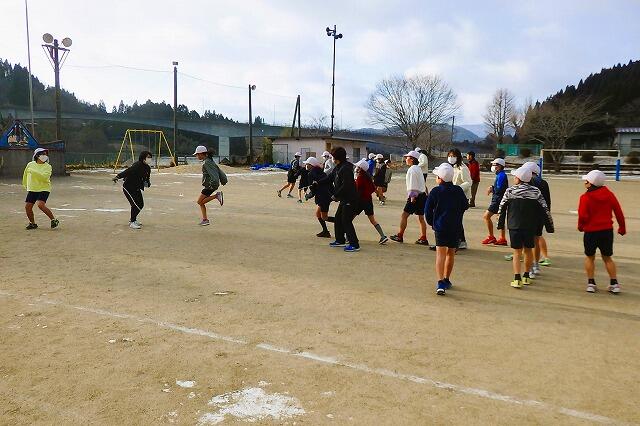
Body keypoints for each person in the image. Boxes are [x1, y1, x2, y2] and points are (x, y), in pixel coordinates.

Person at [497, 166, 553, 288]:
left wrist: (500, 224)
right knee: (528, 250)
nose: (514, 178)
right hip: (530, 226)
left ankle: (517, 278)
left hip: (514, 225)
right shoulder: (536, 192)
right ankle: (526, 276)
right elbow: (545, 209)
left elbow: (501, 209)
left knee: (517, 252)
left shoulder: (510, 191)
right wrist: (549, 226)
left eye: (515, 177)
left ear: (518, 178)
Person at [578, 170, 626, 294]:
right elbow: (618, 211)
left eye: (586, 181)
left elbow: (583, 215)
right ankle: (614, 283)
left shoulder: (585, 197)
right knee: (607, 258)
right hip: (606, 231)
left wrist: (581, 226)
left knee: (590, 257)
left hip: (591, 232)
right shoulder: (609, 195)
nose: (584, 183)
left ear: (590, 183)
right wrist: (622, 227)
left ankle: (591, 283)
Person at [425, 163, 468, 295]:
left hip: (440, 226)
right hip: (455, 226)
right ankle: (446, 278)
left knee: (440, 254)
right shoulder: (458, 190)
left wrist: (432, 222)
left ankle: (440, 282)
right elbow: (465, 205)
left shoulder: (435, 191)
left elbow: (427, 210)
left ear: (440, 178)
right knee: (451, 253)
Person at [390, 150, 429, 245]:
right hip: (422, 195)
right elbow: (422, 183)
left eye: (407, 157)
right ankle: (423, 238)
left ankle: (400, 235)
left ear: (412, 159)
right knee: (421, 218)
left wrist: (412, 196)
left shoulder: (412, 170)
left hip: (415, 196)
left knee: (404, 215)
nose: (406, 159)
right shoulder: (418, 169)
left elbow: (412, 184)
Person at [327, 147, 360, 252]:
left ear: (337, 158)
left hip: (350, 199)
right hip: (344, 199)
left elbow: (346, 185)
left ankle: (354, 244)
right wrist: (317, 182)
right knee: (338, 219)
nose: (332, 158)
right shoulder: (338, 167)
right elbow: (329, 178)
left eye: (333, 156)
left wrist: (335, 195)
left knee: (346, 221)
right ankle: (340, 240)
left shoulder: (346, 168)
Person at [112, 150, 153, 229]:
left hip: (137, 188)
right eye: (148, 157)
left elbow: (147, 178)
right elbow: (128, 171)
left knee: (141, 204)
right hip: (128, 187)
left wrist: (147, 183)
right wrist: (118, 176)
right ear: (143, 158)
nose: (150, 159)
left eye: (150, 157)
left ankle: (133, 219)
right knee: (135, 205)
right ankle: (132, 222)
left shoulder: (147, 168)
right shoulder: (137, 165)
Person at [353, 159, 388, 244]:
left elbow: (357, 190)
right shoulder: (367, 176)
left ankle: (348, 237)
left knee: (349, 219)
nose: (356, 168)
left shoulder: (360, 177)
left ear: (361, 168)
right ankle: (383, 236)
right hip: (368, 200)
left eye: (358, 167)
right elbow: (373, 188)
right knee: (372, 220)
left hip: (360, 201)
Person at [22, 148, 59, 230]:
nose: (44, 156)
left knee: (40, 205)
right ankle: (32, 223)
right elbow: (25, 175)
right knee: (28, 207)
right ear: (37, 156)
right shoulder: (30, 164)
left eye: (45, 154)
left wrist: (33, 172)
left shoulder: (48, 166)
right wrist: (25, 184)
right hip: (33, 189)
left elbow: (44, 178)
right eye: (42, 154)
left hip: (44, 188)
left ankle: (53, 220)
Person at [193, 145, 226, 226]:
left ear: (201, 154)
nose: (196, 156)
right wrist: (222, 180)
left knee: (199, 202)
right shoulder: (209, 161)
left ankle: (217, 196)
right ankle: (205, 220)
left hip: (210, 186)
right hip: (211, 185)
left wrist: (212, 185)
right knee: (201, 203)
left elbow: (214, 175)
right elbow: (218, 171)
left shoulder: (207, 163)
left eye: (197, 154)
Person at [448, 148, 472, 250]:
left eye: (453, 156)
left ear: (458, 157)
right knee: (455, 220)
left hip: (461, 198)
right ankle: (459, 240)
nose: (451, 158)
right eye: (450, 156)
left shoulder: (463, 168)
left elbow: (468, 182)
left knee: (456, 220)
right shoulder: (452, 167)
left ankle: (460, 241)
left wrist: (457, 189)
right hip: (453, 197)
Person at [482, 158, 509, 246]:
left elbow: (499, 189)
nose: (492, 166)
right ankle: (502, 238)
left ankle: (491, 236)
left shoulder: (501, 176)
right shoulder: (501, 175)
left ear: (499, 166)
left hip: (498, 200)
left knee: (486, 216)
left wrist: (492, 188)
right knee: (499, 218)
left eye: (494, 165)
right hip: (499, 199)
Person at [303, 157, 332, 238]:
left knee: (324, 217)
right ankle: (325, 231)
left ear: (311, 165)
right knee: (318, 214)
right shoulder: (322, 172)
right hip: (327, 196)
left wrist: (307, 196)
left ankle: (341, 222)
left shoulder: (311, 174)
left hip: (322, 198)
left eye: (307, 164)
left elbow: (313, 190)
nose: (305, 165)